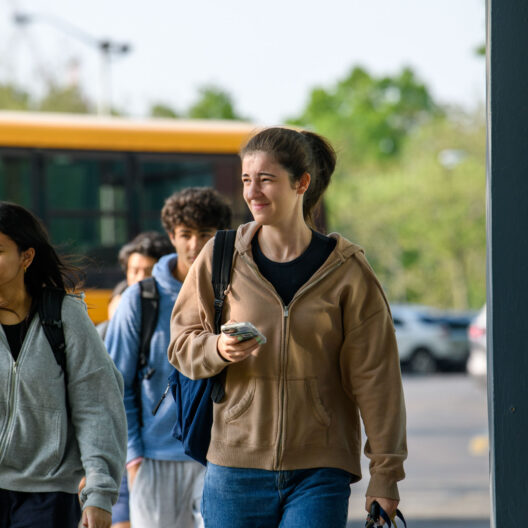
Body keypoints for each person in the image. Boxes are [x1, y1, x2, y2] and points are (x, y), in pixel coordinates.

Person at [168, 128, 407, 528]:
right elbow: (180, 346)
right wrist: (218, 350)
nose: (252, 191)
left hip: (320, 470)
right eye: (246, 179)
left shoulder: (347, 270)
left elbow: (377, 379)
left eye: (266, 179)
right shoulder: (221, 255)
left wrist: (385, 473)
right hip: (234, 467)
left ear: (302, 183)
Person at [105, 188, 232, 528]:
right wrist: (133, 457)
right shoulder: (140, 299)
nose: (194, 245)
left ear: (220, 237)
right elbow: (116, 385)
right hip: (156, 458)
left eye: (205, 234)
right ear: (172, 237)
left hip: (223, 457)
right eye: (185, 234)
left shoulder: (236, 291)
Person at [0, 201, 127, 528]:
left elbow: (97, 405)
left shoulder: (64, 316)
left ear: (26, 257)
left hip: (50, 496)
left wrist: (99, 492)